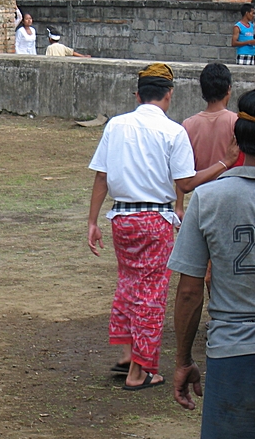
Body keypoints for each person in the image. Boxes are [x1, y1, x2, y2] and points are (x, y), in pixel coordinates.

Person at [87, 63, 239, 391]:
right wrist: (224, 163)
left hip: (122, 217)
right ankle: (139, 371)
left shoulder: (116, 125)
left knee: (128, 283)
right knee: (152, 293)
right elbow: (185, 183)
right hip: (154, 219)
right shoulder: (173, 131)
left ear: (138, 94)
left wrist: (92, 221)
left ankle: (128, 354)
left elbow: (101, 175)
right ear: (169, 94)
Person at [168, 89, 255, 439]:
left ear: (237, 141)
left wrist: (183, 360)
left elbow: (189, 291)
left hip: (232, 351)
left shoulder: (209, 198)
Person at [176, 63, 244, 220]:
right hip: (231, 197)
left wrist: (179, 206)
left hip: (202, 199)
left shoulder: (188, 125)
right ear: (228, 89)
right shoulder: (237, 123)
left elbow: (182, 171)